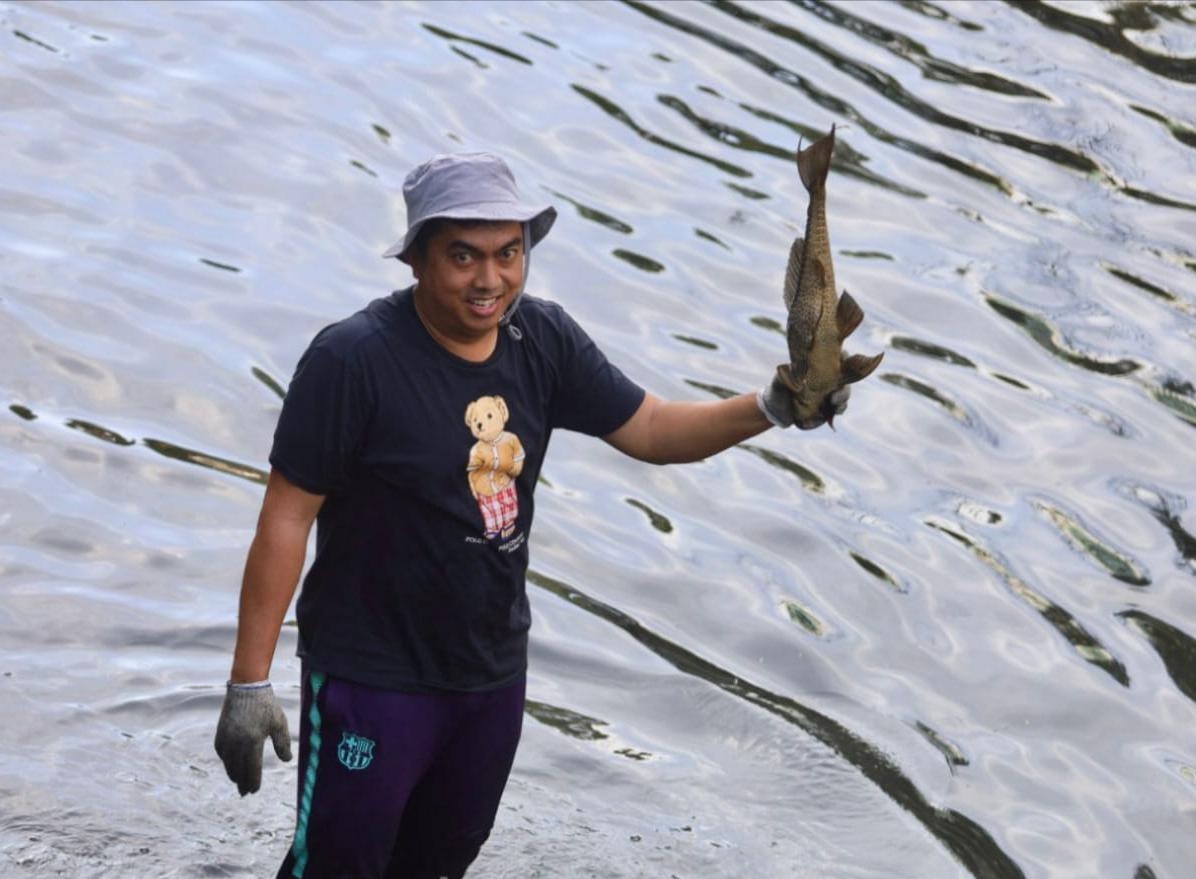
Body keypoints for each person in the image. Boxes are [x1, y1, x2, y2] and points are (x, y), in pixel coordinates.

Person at [213, 151, 848, 879]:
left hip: (489, 677)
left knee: (438, 865)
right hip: (371, 678)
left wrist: (772, 404)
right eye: (463, 256)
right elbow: (286, 519)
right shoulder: (352, 362)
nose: (490, 280)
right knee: (340, 867)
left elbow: (652, 428)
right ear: (417, 257)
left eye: (509, 253)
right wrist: (248, 684)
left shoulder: (541, 341)